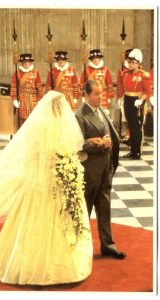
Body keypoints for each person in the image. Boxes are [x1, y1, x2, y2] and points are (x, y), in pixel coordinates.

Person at [0, 91, 93, 285]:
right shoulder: (40, 128)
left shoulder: (64, 126)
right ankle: (36, 266)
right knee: (38, 222)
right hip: (42, 184)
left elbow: (72, 150)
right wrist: (55, 165)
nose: (60, 110)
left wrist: (68, 166)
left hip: (60, 182)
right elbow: (33, 156)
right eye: (57, 107)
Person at [75, 80, 126, 259]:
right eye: (96, 94)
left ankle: (108, 246)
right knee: (85, 210)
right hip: (90, 172)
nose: (100, 97)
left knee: (105, 208)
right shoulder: (80, 115)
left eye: (101, 94)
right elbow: (78, 145)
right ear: (86, 95)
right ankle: (81, 248)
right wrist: (100, 144)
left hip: (105, 169)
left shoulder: (101, 110)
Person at [118, 48, 151, 159]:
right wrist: (121, 97)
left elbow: (148, 91)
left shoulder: (143, 75)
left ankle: (137, 152)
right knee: (131, 126)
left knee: (137, 127)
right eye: (130, 62)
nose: (131, 64)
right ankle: (132, 151)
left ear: (138, 63)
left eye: (133, 62)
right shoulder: (125, 74)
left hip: (137, 102)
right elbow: (122, 87)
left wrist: (141, 99)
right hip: (127, 100)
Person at [10, 53, 43, 127]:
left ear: (30, 62)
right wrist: (14, 99)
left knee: (34, 119)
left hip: (33, 99)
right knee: (22, 120)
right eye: (24, 62)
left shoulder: (35, 72)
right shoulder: (17, 73)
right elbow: (13, 87)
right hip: (22, 99)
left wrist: (40, 99)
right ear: (21, 63)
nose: (26, 63)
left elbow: (39, 87)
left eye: (28, 61)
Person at [80, 49, 114, 114]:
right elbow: (82, 84)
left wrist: (110, 96)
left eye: (97, 58)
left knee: (104, 114)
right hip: (91, 96)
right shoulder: (86, 70)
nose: (95, 60)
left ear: (100, 59)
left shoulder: (105, 69)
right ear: (91, 60)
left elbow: (109, 84)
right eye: (93, 59)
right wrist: (83, 96)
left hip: (103, 95)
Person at [117, 48, 133, 144]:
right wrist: (120, 96)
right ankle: (127, 134)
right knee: (126, 118)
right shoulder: (122, 70)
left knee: (134, 118)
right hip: (125, 96)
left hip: (135, 97)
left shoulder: (139, 69)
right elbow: (119, 84)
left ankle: (133, 135)